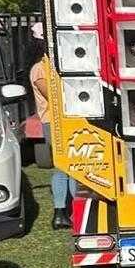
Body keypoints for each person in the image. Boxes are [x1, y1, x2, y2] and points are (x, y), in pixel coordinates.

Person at [28, 24, 78, 229]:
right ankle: (64, 212)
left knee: (69, 167)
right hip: (53, 121)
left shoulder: (52, 65)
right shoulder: (39, 69)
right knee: (67, 167)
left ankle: (66, 212)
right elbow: (53, 97)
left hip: (65, 120)